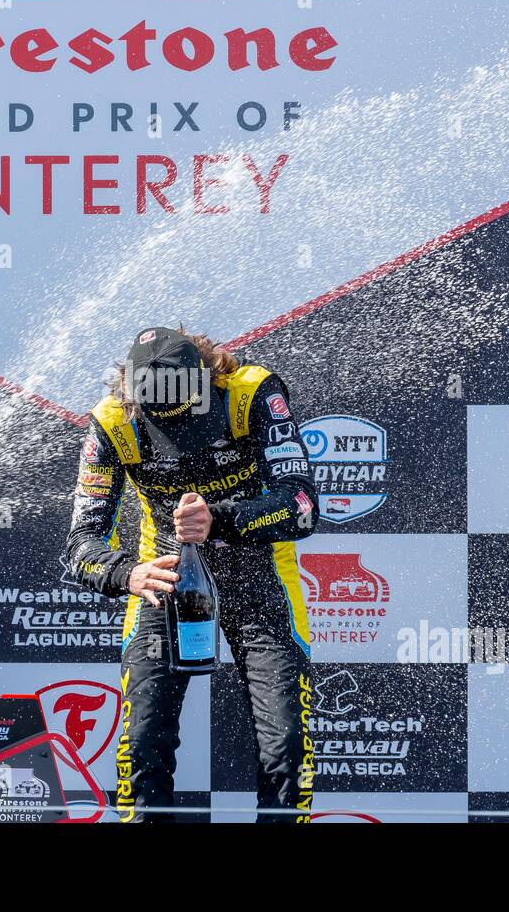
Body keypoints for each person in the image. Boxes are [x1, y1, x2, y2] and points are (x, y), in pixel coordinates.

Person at [65, 326, 318, 822]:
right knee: (141, 741)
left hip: (260, 576)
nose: (181, 448)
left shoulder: (252, 392)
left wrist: (220, 519)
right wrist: (127, 573)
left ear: (206, 382)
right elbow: (80, 544)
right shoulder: (112, 421)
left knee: (284, 743)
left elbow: (304, 506)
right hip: (165, 584)